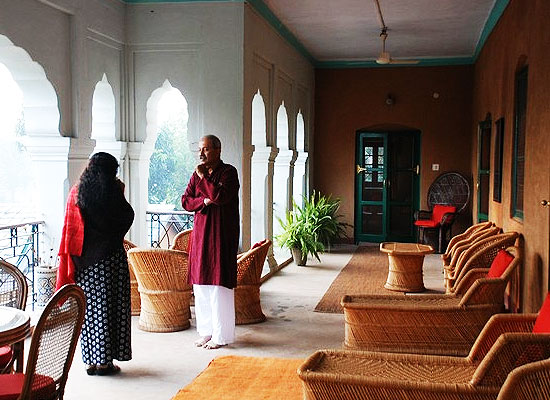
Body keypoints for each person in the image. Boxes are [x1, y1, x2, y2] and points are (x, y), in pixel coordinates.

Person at [56, 152, 134, 375]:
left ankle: (91, 361)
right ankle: (105, 363)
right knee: (110, 309)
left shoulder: (77, 192)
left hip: (84, 263)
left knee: (89, 312)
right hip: (110, 261)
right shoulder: (111, 193)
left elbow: (71, 228)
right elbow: (127, 217)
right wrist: (121, 191)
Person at [181, 134, 240, 349]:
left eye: (206, 149)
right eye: (200, 149)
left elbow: (220, 197)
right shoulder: (196, 175)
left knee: (218, 286)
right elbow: (185, 201)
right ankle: (206, 331)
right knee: (201, 286)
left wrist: (205, 183)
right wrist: (203, 201)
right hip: (200, 236)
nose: (201, 154)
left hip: (220, 236)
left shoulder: (229, 173)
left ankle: (221, 336)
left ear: (218, 150)